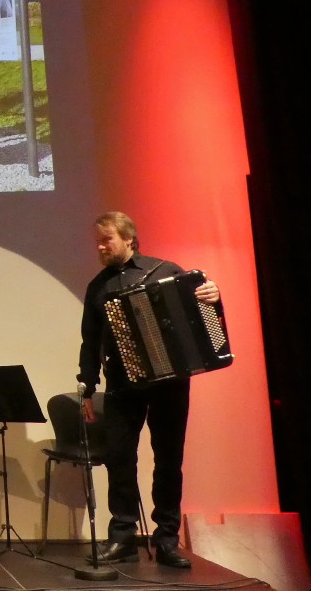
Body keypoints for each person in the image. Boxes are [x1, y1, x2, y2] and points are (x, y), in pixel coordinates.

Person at [77, 211, 221, 569]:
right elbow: (90, 341)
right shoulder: (98, 286)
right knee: (119, 459)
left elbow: (202, 316)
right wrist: (87, 386)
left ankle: (167, 539)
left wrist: (214, 297)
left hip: (170, 383)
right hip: (123, 385)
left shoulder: (166, 270)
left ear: (128, 238)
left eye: (106, 239)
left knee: (169, 460)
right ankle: (123, 536)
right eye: (97, 240)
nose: (99, 246)